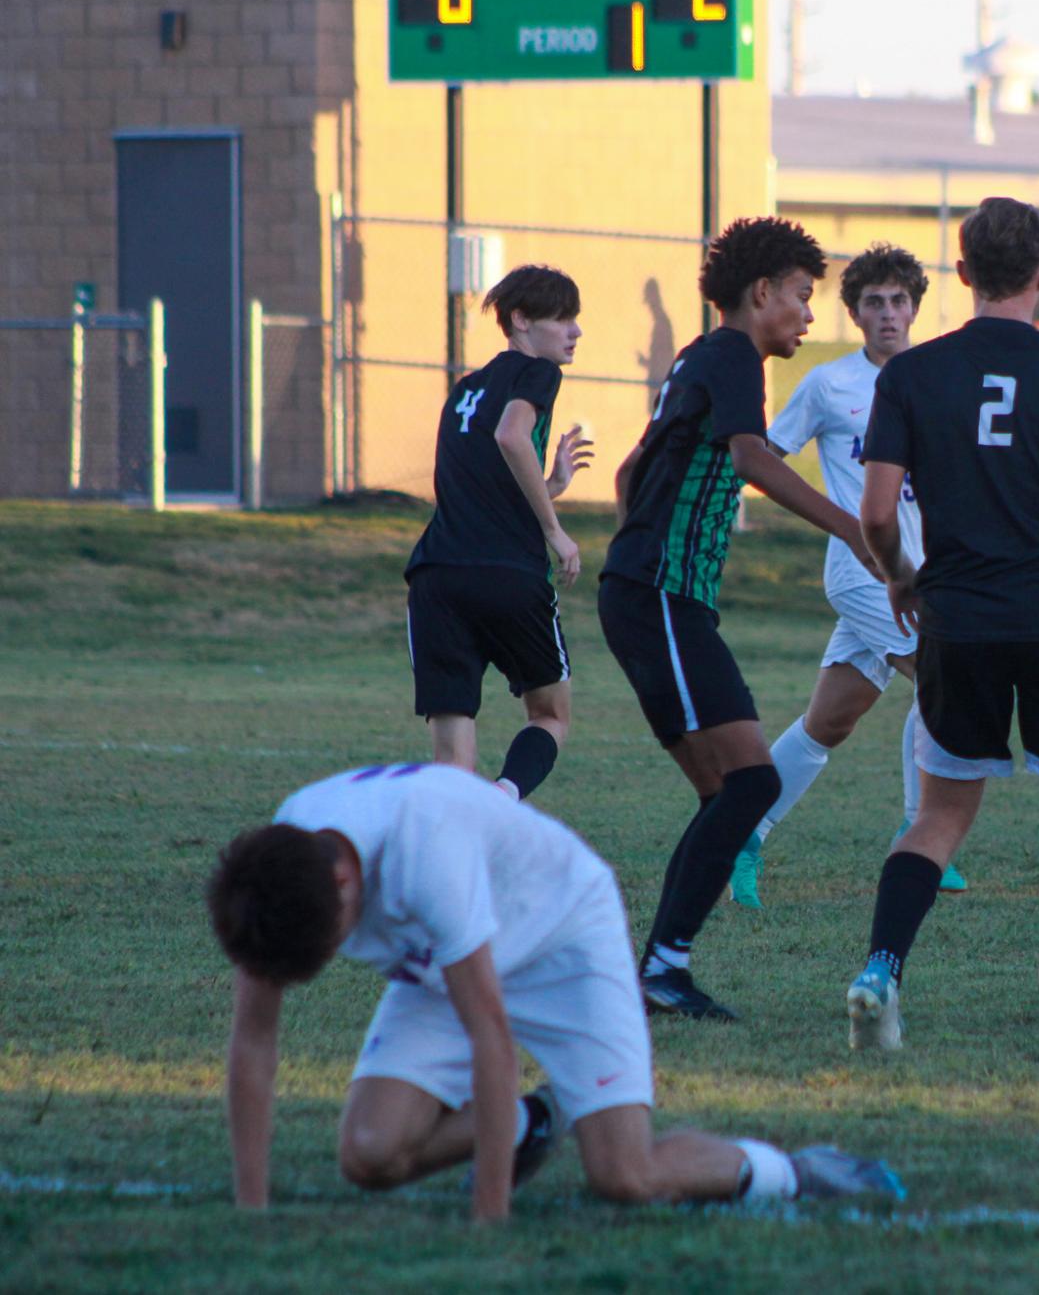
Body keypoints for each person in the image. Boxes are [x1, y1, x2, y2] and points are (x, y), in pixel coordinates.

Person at [209, 763, 905, 1222]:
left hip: (565, 940)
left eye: (334, 941)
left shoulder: (427, 852)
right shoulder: (280, 864)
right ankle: (533, 1125)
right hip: (446, 961)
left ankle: (796, 1171)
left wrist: (490, 1219)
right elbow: (254, 1040)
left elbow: (492, 1039)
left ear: (343, 884)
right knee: (369, 1154)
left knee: (623, 1177)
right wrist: (250, 1209)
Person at [844, 197, 1039, 1055]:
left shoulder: (907, 376)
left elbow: (876, 511)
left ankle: (878, 971)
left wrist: (902, 577)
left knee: (938, 820)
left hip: (958, 620)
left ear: (960, 274)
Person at [599, 216, 876, 1022]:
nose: (807, 314)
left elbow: (629, 469)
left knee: (731, 792)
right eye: (800, 295)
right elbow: (752, 458)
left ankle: (655, 970)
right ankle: (658, 968)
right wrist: (851, 527)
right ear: (761, 293)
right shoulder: (730, 354)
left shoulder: (699, 358)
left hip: (651, 592)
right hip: (659, 597)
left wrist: (642, 544)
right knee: (748, 784)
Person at [728, 242, 969, 910]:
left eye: (898, 301)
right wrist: (836, 522)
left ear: (915, 308)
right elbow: (763, 458)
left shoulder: (939, 380)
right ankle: (920, 835)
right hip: (863, 573)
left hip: (925, 574)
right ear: (854, 315)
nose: (887, 313)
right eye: (873, 303)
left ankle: (743, 833)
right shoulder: (829, 384)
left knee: (828, 722)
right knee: (944, 678)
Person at [403, 264, 594, 803]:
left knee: (450, 762)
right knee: (551, 714)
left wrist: (551, 483)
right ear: (521, 320)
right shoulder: (535, 373)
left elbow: (479, 485)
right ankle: (504, 796)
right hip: (506, 574)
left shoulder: (463, 391)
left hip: (436, 576)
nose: (575, 331)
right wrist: (555, 532)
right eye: (563, 318)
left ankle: (453, 869)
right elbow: (513, 435)